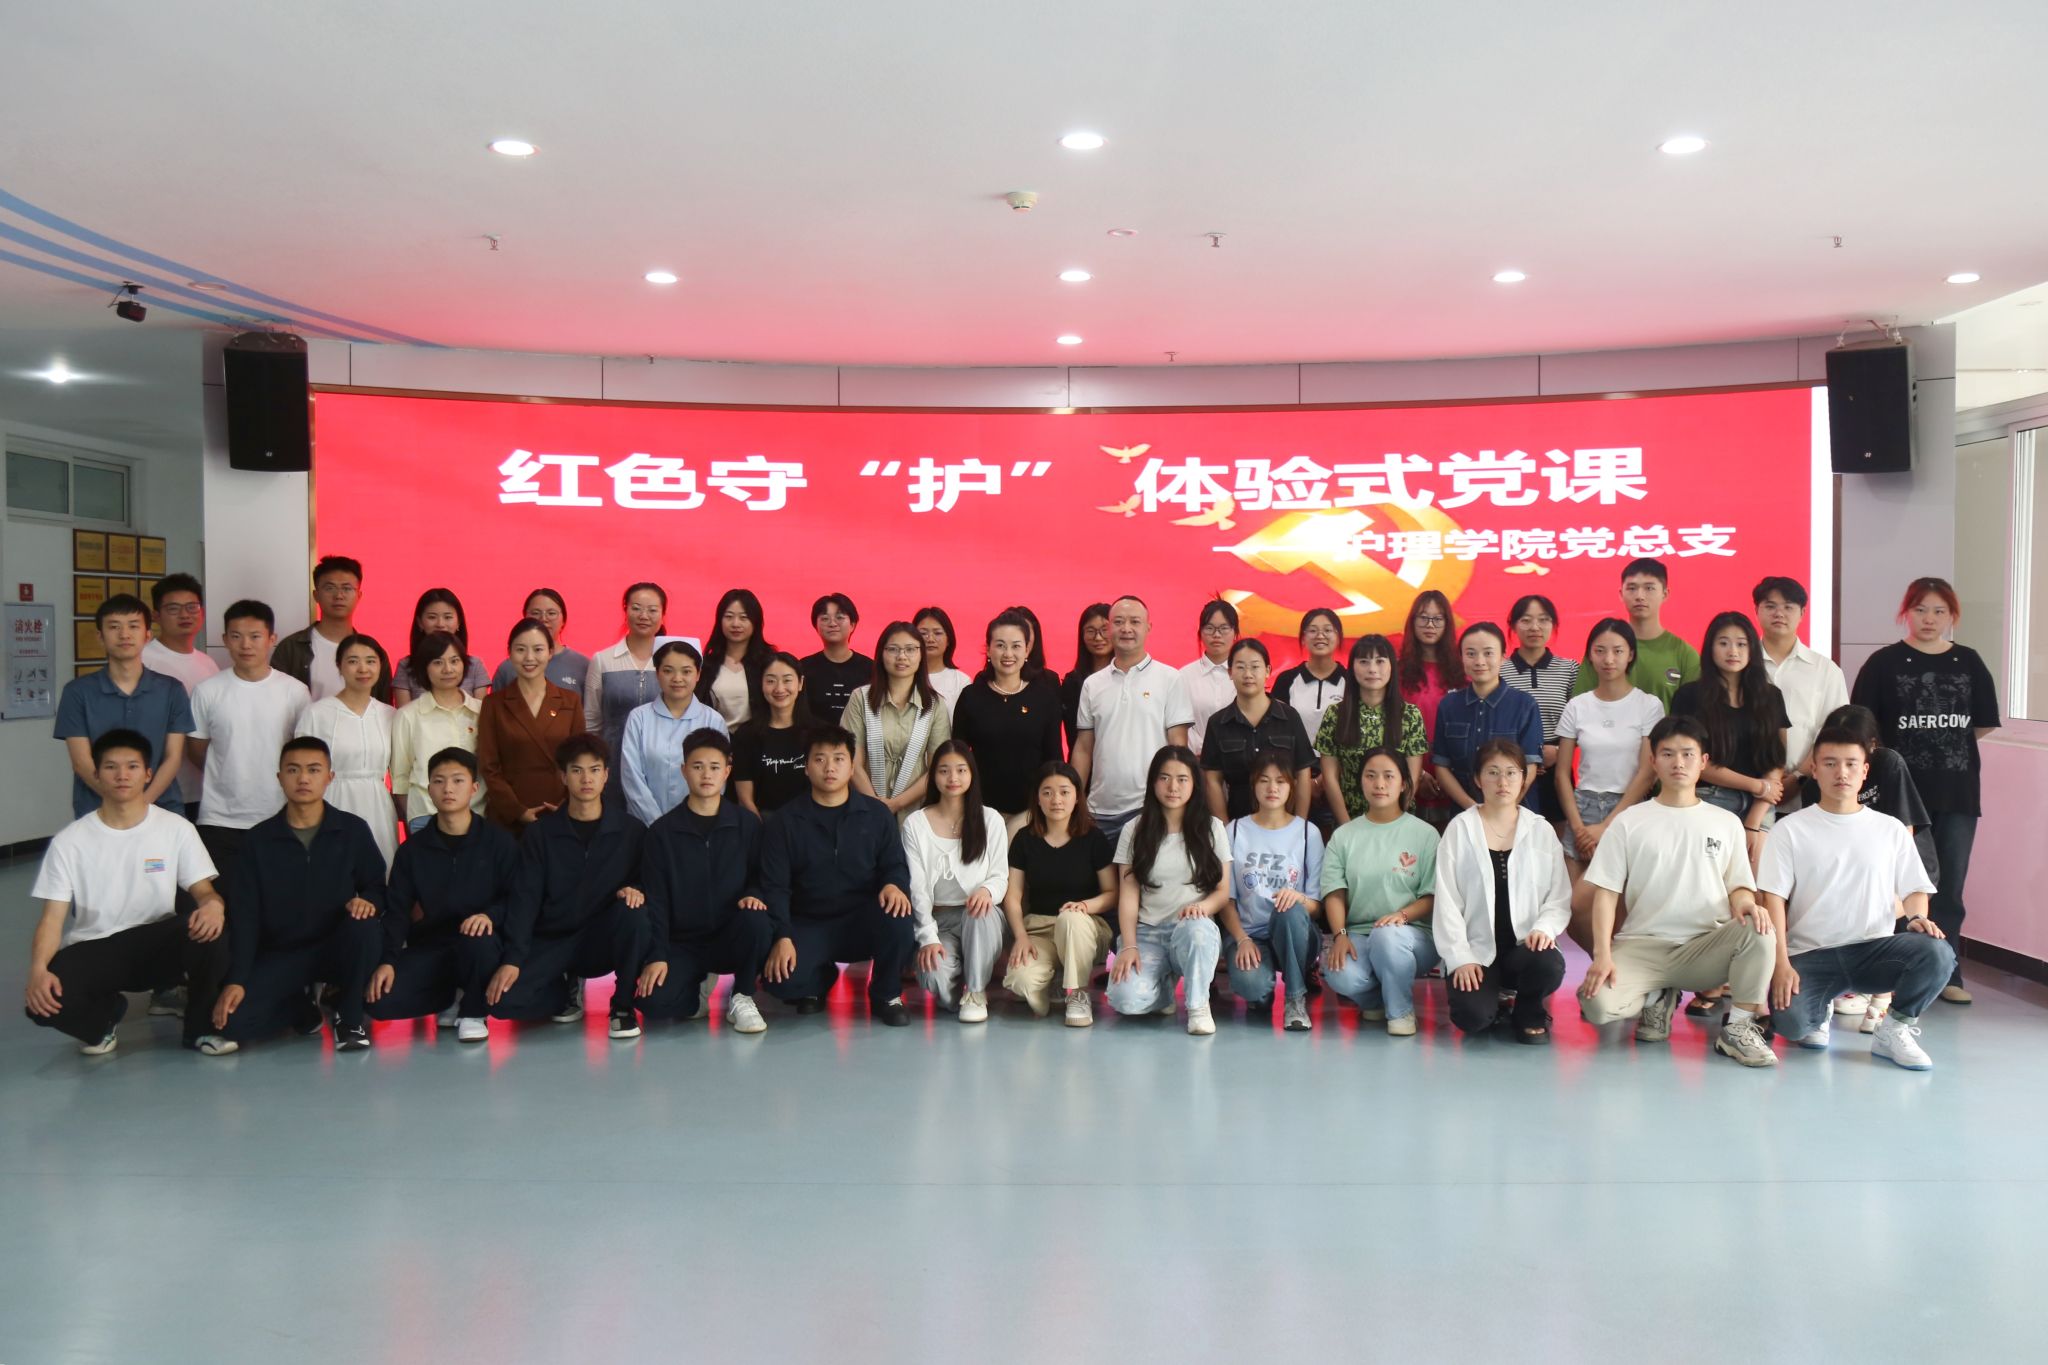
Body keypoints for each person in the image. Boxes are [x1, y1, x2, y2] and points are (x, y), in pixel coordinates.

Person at [1575, 716, 1778, 1068]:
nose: (1678, 762)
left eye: (1687, 754)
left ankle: (1738, 1029)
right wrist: (1602, 954)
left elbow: (1739, 887)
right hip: (1642, 946)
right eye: (1668, 754)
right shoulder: (1629, 821)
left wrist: (1747, 904)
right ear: (1653, 762)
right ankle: (1656, 997)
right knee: (1596, 1005)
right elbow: (1606, 893)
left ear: (1703, 761)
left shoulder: (1726, 822)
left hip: (1704, 946)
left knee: (1760, 928)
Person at [22, 730, 232, 1056]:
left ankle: (200, 1030)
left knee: (211, 929)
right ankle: (103, 1019)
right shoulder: (70, 841)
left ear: (147, 774)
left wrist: (213, 905)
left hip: (156, 942)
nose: (122, 775)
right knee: (42, 1004)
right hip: (97, 946)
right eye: (111, 767)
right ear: (96, 775)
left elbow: (204, 890)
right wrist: (38, 970)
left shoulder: (175, 828)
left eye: (132, 766)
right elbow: (52, 920)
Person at [1761, 727, 1953, 1070]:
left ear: (1865, 771)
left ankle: (1893, 1030)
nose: (1842, 772)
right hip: (1810, 954)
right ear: (1814, 769)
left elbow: (1914, 888)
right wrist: (1781, 964)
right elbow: (1772, 899)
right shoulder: (1789, 829)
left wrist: (1917, 917)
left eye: (1851, 764)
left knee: (1937, 953)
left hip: (1875, 951)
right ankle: (1819, 1011)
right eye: (1830, 763)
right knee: (1791, 1024)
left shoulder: (1890, 828)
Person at [1850, 576, 1999, 1004]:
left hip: (1956, 794)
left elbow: (1981, 724)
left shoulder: (1968, 661)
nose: (1929, 619)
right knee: (1893, 884)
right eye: (1920, 610)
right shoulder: (1883, 663)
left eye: (1939, 611)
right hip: (1897, 796)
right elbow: (1863, 727)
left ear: (1952, 615)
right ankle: (1889, 970)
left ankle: (1946, 972)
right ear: (1906, 613)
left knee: (1948, 886)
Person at [210, 737, 387, 1051]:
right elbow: (245, 915)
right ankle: (301, 1010)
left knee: (365, 927)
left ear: (329, 777)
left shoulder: (352, 830)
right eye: (293, 770)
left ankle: (349, 1019)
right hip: (283, 952)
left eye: (313, 770)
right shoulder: (258, 840)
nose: (303, 778)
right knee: (232, 1023)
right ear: (280, 777)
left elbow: (377, 887)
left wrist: (367, 901)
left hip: (338, 946)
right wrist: (236, 978)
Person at [484, 735, 650, 1038]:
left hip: (602, 940)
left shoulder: (631, 831)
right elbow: (525, 899)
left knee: (634, 913)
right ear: (563, 776)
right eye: (577, 770)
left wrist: (635, 888)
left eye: (594, 770)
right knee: (503, 1002)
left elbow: (646, 881)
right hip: (555, 940)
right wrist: (513, 960)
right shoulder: (540, 834)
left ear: (606, 775)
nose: (586, 779)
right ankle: (564, 991)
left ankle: (623, 1006)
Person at [758, 726, 918, 1025]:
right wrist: (782, 935)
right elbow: (775, 886)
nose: (829, 767)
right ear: (806, 767)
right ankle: (819, 977)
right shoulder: (784, 821)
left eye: (839, 759)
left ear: (852, 767)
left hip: (862, 919)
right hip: (809, 922)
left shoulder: (876, 814)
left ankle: (885, 993)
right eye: (819, 759)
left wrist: (893, 885)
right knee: (780, 982)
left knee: (899, 916)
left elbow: (894, 864)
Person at [1796, 702, 1938, 1027]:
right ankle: (1843, 985)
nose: (1841, 768)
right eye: (1832, 757)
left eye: (1853, 753)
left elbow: (1904, 834)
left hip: (1900, 863)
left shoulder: (1888, 764)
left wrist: (1891, 888)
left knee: (1882, 908)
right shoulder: (1815, 784)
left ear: (1871, 746)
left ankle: (1882, 1001)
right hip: (1853, 866)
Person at [633, 729, 775, 1035]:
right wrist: (657, 955)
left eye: (714, 767)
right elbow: (656, 899)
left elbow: (761, 876)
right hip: (683, 942)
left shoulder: (747, 825)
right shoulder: (662, 832)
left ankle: (742, 995)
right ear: (684, 770)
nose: (706, 775)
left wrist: (753, 893)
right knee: (654, 1004)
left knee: (757, 919)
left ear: (727, 771)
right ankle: (696, 993)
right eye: (697, 767)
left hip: (731, 935)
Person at [365, 748, 511, 1043]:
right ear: (429, 788)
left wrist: (490, 916)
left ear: (474, 788)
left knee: (478, 940)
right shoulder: (413, 850)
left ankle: (473, 1011)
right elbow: (397, 911)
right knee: (379, 1002)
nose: (448, 789)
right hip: (433, 945)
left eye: (458, 780)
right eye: (439, 781)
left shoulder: (498, 842)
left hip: (483, 945)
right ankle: (450, 996)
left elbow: (517, 898)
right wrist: (387, 960)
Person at [1431, 739, 1571, 1043]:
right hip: (1477, 951)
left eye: (1511, 773)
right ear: (1478, 779)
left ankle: (1529, 1009)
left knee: (1548, 963)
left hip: (1524, 948)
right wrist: (1460, 957)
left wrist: (1544, 928)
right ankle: (1495, 1000)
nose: (1502, 782)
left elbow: (1559, 896)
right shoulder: (1459, 829)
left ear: (1524, 777)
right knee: (1472, 1018)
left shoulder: (1540, 829)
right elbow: (1447, 902)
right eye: (1492, 773)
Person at [1553, 618, 1661, 948]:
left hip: (1627, 810)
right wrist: (1578, 826)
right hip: (1581, 808)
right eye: (1600, 651)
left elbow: (1647, 772)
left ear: (1631, 655)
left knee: (1616, 911)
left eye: (1617, 651)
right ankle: (1606, 968)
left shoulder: (1648, 705)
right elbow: (1561, 773)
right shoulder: (1577, 706)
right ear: (1589, 655)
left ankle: (1613, 968)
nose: (1608, 659)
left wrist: (1607, 826)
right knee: (1571, 912)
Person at [1107, 746, 1229, 1035]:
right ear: (1153, 782)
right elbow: (1128, 895)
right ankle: (1163, 990)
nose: (1173, 787)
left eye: (1182, 779)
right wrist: (1129, 945)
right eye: (1164, 778)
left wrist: (1202, 908)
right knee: (1125, 1000)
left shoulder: (1212, 828)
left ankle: (1198, 1006)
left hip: (1191, 930)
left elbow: (1223, 891)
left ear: (1194, 784)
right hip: (1148, 933)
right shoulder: (1134, 829)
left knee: (1198, 931)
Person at [188, 600, 312, 886]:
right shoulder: (207, 691)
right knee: (226, 901)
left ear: (271, 639)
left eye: (255, 636)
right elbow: (196, 751)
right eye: (236, 636)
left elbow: (302, 753)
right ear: (225, 640)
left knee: (281, 898)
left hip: (281, 814)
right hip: (220, 819)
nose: (246, 645)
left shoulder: (295, 692)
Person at [1319, 749, 1441, 1035]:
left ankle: (1401, 1012)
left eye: (1389, 776)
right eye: (1371, 776)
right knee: (1338, 972)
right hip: (1359, 934)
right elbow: (1335, 892)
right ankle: (1375, 1001)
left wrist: (1402, 915)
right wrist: (1340, 934)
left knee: (1387, 936)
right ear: (1360, 782)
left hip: (1413, 936)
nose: (1379, 784)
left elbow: (1432, 896)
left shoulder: (1425, 835)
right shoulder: (1344, 836)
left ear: (1404, 784)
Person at [999, 761, 1118, 1025]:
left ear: (1077, 797)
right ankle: (1048, 984)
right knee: (1020, 980)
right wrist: (1020, 937)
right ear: (1037, 799)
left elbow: (1112, 893)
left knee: (1070, 919)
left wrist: (1085, 906)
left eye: (1064, 792)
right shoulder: (1024, 839)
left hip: (1085, 927)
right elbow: (1013, 896)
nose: (1056, 800)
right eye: (1047, 792)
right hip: (1040, 928)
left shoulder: (1093, 838)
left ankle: (1078, 993)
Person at [54, 594, 191, 819]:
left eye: (133, 626)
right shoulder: (77, 692)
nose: (124, 634)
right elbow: (81, 762)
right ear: (100, 636)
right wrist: (119, 803)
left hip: (162, 809)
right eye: (114, 627)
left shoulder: (172, 690)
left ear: (147, 635)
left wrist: (140, 805)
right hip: (98, 811)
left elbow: (173, 758)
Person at [1671, 611, 1789, 868]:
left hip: (1760, 805)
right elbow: (1693, 761)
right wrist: (1757, 785)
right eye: (1723, 643)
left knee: (1756, 882)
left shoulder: (1771, 696)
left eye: (1741, 644)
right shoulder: (1690, 696)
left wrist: (1755, 818)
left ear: (1752, 649)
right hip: (1709, 799)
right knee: (1710, 880)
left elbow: (1777, 759)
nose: (1733, 651)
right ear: (1710, 648)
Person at [903, 741, 1010, 1021]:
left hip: (980, 918)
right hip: (939, 921)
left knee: (979, 911)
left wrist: (987, 891)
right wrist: (927, 937)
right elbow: (917, 887)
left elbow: (1000, 875)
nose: (953, 778)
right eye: (944, 771)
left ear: (972, 774)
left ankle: (975, 991)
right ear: (933, 776)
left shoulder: (990, 819)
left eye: (961, 770)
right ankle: (957, 983)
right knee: (934, 976)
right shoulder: (915, 823)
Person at [1071, 595, 1193, 838]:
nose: (1126, 628)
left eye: (1135, 622)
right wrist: (1076, 799)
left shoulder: (1170, 678)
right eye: (1118, 622)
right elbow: (1083, 748)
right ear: (1109, 628)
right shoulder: (1092, 684)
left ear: (1148, 627)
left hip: (1150, 808)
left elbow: (1178, 746)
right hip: (1099, 810)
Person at [1220, 757, 1324, 1030]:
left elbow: (1316, 906)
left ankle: (1295, 998)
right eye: (1264, 781)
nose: (1272, 788)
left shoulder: (1308, 832)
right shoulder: (1234, 830)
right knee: (1253, 986)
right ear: (1253, 785)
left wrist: (1299, 898)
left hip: (1296, 932)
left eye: (1280, 781)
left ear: (1292, 786)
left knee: (1289, 909)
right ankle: (1261, 993)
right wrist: (1241, 939)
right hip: (1250, 935)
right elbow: (1226, 900)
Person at [293, 633, 399, 869]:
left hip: (377, 805)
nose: (363, 669)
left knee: (379, 871)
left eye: (370, 661)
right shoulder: (317, 713)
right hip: (333, 802)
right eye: (353, 661)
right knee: (333, 871)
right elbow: (301, 768)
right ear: (339, 665)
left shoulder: (390, 715)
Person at [951, 611, 1064, 824]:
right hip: (980, 810)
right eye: (1000, 645)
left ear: (1027, 650)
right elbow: (957, 755)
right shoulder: (971, 697)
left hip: (1031, 812)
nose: (1008, 654)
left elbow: (1054, 759)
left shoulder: (1044, 698)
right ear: (988, 649)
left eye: (1016, 646)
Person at [477, 618, 586, 834]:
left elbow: (579, 759)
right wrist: (517, 811)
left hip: (559, 812)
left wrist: (566, 804)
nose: (529, 658)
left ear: (550, 652)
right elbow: (489, 766)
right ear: (509, 653)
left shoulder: (570, 701)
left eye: (538, 649)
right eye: (520, 649)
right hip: (509, 817)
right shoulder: (494, 703)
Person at [1752, 576, 1847, 806]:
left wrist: (1798, 777)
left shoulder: (1825, 670)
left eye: (1788, 607)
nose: (1779, 613)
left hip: (1807, 790)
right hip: (1746, 789)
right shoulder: (1740, 665)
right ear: (1757, 610)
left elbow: (1833, 730)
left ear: (1803, 613)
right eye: (1770, 606)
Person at [843, 621, 953, 819]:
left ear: (921, 655)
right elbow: (851, 761)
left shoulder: (934, 705)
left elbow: (937, 766)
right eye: (893, 649)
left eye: (910, 649)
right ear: (881, 654)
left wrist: (896, 804)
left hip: (915, 812)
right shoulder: (860, 699)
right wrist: (877, 807)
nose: (902, 656)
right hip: (865, 810)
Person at [1431, 623, 1543, 813]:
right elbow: (1442, 766)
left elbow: (1530, 767)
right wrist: (1472, 809)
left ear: (1503, 657)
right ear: (1461, 657)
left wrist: (1502, 809)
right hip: (1464, 813)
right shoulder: (1449, 705)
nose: (1479, 661)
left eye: (1488, 653)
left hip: (1514, 813)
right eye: (1471, 653)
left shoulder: (1525, 705)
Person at [1316, 634, 1427, 825]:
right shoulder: (1335, 714)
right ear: (1352, 668)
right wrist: (1347, 827)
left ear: (1392, 666)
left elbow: (1412, 778)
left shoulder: (1410, 715)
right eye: (1364, 662)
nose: (1372, 669)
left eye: (1380, 661)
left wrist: (1393, 823)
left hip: (1397, 822)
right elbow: (1330, 778)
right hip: (1349, 820)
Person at [1200, 638, 1312, 820]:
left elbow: (1303, 772)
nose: (1248, 674)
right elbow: (1212, 780)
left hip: (1284, 822)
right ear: (1230, 672)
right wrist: (1225, 830)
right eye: (1240, 667)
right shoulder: (1217, 723)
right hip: (1238, 821)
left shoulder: (1290, 717)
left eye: (1255, 667)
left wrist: (1300, 824)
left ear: (1268, 671)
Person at [620, 640, 730, 825]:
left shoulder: (713, 720)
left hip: (697, 824)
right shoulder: (638, 718)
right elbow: (631, 777)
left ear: (698, 674)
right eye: (668, 671)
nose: (677, 678)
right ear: (657, 673)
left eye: (686, 671)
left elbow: (718, 778)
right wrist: (658, 824)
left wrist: (694, 819)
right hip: (644, 825)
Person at [1568, 558, 1699, 709]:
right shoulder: (1602, 649)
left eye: (1649, 588)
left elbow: (1693, 716)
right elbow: (1580, 708)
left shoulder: (1685, 654)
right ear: (1621, 593)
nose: (1640, 596)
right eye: (1632, 588)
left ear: (1665, 594)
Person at [388, 632, 484, 832]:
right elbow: (400, 778)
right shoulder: (408, 715)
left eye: (454, 661)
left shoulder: (482, 711)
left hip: (477, 813)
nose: (448, 669)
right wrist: (412, 818)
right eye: (438, 662)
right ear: (424, 668)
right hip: (426, 816)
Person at [143, 572, 219, 815]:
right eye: (173, 609)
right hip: (161, 792)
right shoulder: (144, 660)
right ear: (156, 615)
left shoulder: (208, 663)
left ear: (202, 612)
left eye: (192, 607)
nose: (185, 615)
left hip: (205, 789)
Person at [271, 555, 393, 703]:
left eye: (347, 588)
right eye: (330, 588)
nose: (339, 596)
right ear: (316, 595)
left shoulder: (373, 652)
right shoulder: (291, 648)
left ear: (359, 595)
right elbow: (276, 703)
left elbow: (384, 706)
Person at [1500, 594, 1576, 822]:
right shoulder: (1499, 671)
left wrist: (1560, 752)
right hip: (1510, 769)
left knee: (1557, 835)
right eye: (1526, 620)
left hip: (1557, 769)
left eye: (1543, 620)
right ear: (1513, 625)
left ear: (1554, 624)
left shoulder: (1569, 669)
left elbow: (1584, 721)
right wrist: (1523, 758)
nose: (1535, 627)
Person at [1397, 591, 1462, 826]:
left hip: (1456, 778)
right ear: (1412, 621)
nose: (1430, 625)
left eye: (1437, 618)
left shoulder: (1463, 670)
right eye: (1423, 617)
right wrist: (1417, 775)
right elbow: (1389, 726)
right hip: (1406, 775)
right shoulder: (1396, 671)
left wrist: (1448, 775)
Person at [584, 582, 669, 755]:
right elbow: (591, 721)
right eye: (636, 608)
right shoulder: (603, 660)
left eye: (652, 610)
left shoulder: (671, 662)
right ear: (625, 610)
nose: (643, 616)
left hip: (662, 760)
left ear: (663, 616)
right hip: (613, 759)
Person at [733, 652, 815, 817]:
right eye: (771, 681)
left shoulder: (818, 732)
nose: (779, 689)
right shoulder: (746, 735)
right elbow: (745, 799)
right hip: (762, 822)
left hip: (811, 822)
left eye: (787, 680)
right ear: (761, 684)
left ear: (800, 683)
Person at [1270, 607, 1348, 778]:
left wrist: (1323, 780)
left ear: (1339, 637)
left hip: (1341, 773)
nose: (1320, 636)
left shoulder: (1351, 681)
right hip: (1293, 771)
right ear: (1303, 638)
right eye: (1313, 630)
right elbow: (1276, 731)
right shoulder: (1286, 680)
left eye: (1328, 630)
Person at [388, 587, 490, 705]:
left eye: (448, 617)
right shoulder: (406, 666)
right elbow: (403, 712)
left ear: (459, 622)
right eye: (432, 617)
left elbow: (482, 713)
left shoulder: (475, 665)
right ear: (420, 622)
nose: (440, 624)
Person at [488, 588, 589, 695]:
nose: (543, 619)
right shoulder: (508, 668)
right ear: (525, 617)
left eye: (551, 613)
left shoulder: (582, 665)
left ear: (563, 620)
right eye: (536, 613)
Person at [700, 588, 773, 727]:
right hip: (715, 737)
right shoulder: (707, 664)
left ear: (756, 621)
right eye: (729, 617)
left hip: (758, 737)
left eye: (743, 617)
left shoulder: (769, 662)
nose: (735, 624)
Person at [799, 592, 871, 722]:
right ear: (816, 626)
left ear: (852, 624)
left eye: (839, 617)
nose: (832, 623)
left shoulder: (870, 669)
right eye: (825, 618)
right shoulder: (803, 667)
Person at [1180, 599, 1239, 756]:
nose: (1216, 635)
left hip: (1238, 759)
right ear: (1200, 632)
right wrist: (1206, 750)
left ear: (1235, 633)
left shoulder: (1244, 674)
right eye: (1209, 628)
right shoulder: (1183, 676)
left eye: (1224, 628)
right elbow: (1179, 723)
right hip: (1196, 760)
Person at [1060, 602, 1113, 750]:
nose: (1098, 637)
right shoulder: (1072, 683)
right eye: (1090, 631)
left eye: (1105, 630)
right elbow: (1074, 737)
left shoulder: (1128, 677)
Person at [913, 606, 973, 716]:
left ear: (948, 640)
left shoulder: (961, 682)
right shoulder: (903, 677)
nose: (930, 639)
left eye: (937, 633)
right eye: (923, 633)